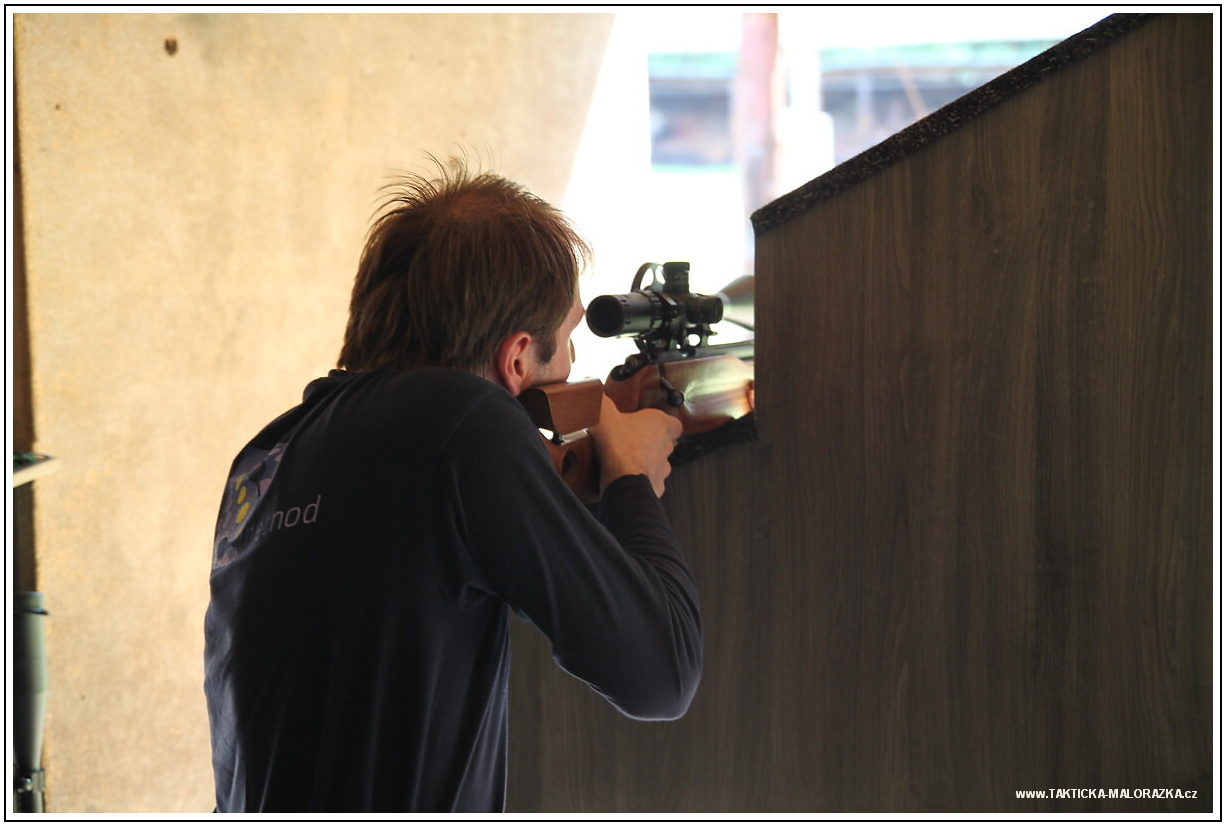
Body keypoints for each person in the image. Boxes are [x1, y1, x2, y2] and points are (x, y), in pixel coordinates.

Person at [203, 158, 702, 813]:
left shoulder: (265, 457)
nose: (575, 361)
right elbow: (661, 672)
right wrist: (630, 474)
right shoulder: (463, 420)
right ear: (516, 358)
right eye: (568, 338)